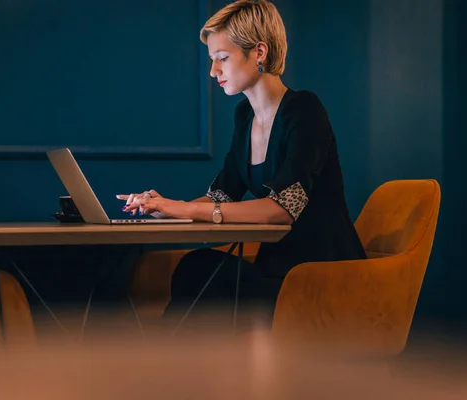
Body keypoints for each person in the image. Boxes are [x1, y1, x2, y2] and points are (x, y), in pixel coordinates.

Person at [117, 0, 366, 332]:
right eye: (212, 60)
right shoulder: (245, 116)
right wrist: (164, 207)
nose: (213, 72)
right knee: (196, 266)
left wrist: (185, 209)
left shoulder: (304, 110)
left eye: (222, 58)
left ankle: (160, 368)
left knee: (205, 273)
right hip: (276, 270)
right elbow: (223, 193)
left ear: (259, 52)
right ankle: (169, 369)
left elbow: (283, 208)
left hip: (318, 277)